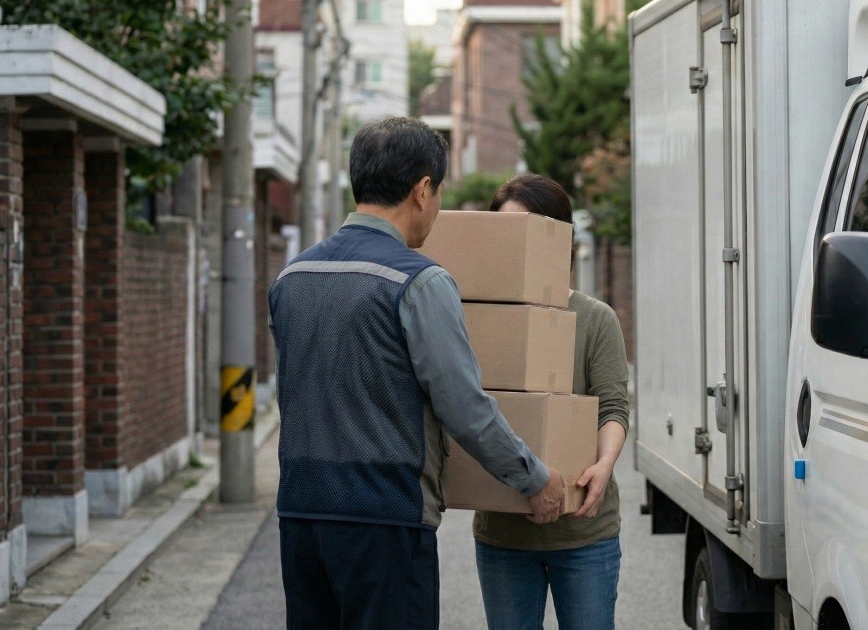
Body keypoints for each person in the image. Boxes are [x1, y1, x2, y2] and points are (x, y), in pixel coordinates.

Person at [268, 119, 565, 629]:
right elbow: (464, 407)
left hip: (300, 513)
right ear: (423, 189)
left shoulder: (291, 277)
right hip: (385, 517)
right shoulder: (419, 281)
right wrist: (534, 478)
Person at [473, 173, 631, 630]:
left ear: (560, 238)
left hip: (583, 533)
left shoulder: (595, 319)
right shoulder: (482, 318)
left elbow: (612, 408)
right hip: (504, 532)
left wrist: (604, 465)